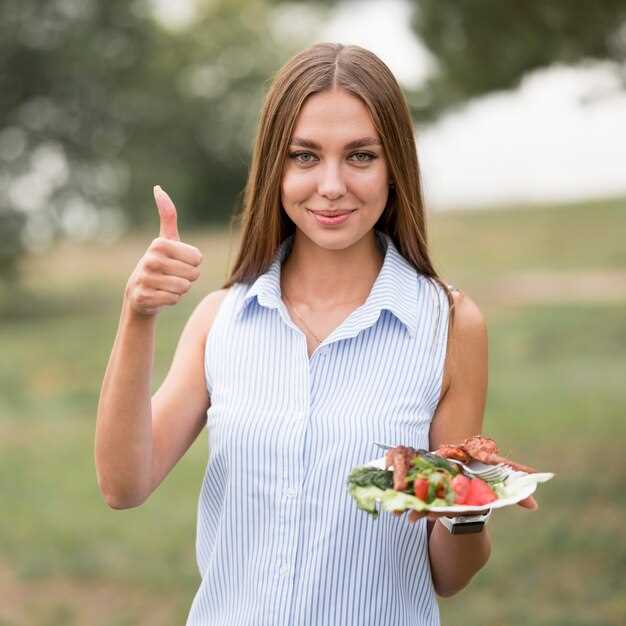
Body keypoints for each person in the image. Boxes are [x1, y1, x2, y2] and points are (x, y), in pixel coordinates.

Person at [95, 42, 538, 626]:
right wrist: (138, 315)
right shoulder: (221, 320)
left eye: (359, 156)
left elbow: (450, 576)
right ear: (275, 166)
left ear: (395, 167)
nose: (331, 185)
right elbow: (123, 485)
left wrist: (466, 509)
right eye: (304, 156)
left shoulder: (449, 325)